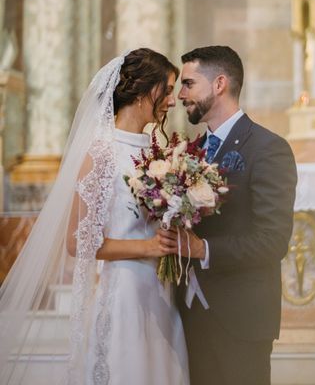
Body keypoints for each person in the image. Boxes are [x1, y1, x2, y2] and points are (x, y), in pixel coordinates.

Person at [0, 48, 190, 384]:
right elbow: (78, 241)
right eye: (168, 89)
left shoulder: (157, 151)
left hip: (160, 291)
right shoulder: (102, 151)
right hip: (125, 292)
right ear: (145, 89)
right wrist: (147, 248)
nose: (172, 101)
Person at [157, 45, 298, 385]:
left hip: (239, 319)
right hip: (187, 313)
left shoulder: (268, 148)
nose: (180, 95)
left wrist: (203, 250)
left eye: (189, 84)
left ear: (219, 84)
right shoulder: (190, 150)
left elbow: (272, 241)